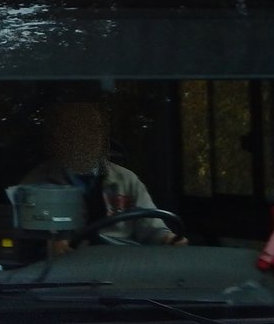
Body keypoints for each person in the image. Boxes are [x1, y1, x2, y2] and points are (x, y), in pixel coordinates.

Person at [22, 100, 186, 247]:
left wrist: (167, 239)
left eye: (93, 130)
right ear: (59, 138)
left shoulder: (126, 180)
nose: (85, 137)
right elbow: (27, 243)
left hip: (124, 269)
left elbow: (152, 230)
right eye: (75, 130)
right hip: (66, 272)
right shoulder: (36, 184)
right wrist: (48, 246)